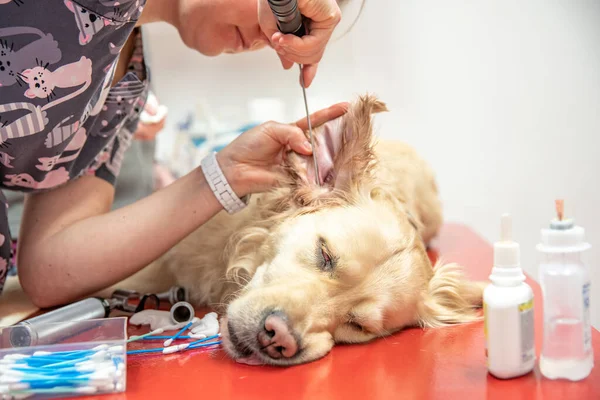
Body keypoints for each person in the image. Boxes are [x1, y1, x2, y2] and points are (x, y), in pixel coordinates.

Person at [0, 0, 348, 307]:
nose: (272, 39)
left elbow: (49, 268)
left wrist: (225, 175)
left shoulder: (125, 85)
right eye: (283, 16)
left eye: (292, 30)